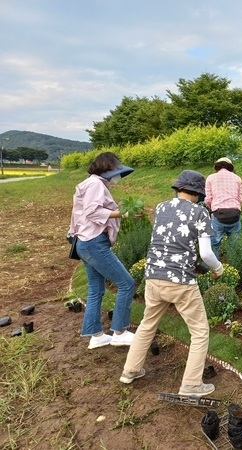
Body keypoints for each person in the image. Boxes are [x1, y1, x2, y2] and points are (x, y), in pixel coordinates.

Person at [119, 170, 224, 397]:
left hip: (154, 276)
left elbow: (169, 242)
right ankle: (191, 385)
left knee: (147, 325)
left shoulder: (161, 207)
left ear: (178, 189)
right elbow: (206, 253)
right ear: (198, 193)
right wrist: (218, 267)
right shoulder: (200, 213)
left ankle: (130, 370)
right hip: (181, 282)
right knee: (199, 332)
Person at [68, 152, 136, 349]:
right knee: (126, 283)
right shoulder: (96, 184)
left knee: (96, 289)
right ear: (107, 168)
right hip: (94, 242)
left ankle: (96, 335)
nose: (117, 176)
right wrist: (124, 213)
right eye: (116, 170)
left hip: (85, 242)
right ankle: (120, 332)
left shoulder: (90, 183)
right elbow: (93, 211)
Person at [204, 157, 242, 258]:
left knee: (215, 243)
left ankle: (214, 267)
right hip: (235, 214)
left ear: (217, 166)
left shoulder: (211, 178)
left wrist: (212, 209)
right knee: (234, 243)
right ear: (230, 167)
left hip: (218, 214)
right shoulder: (237, 178)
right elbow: (240, 199)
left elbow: (208, 199)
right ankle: (234, 264)